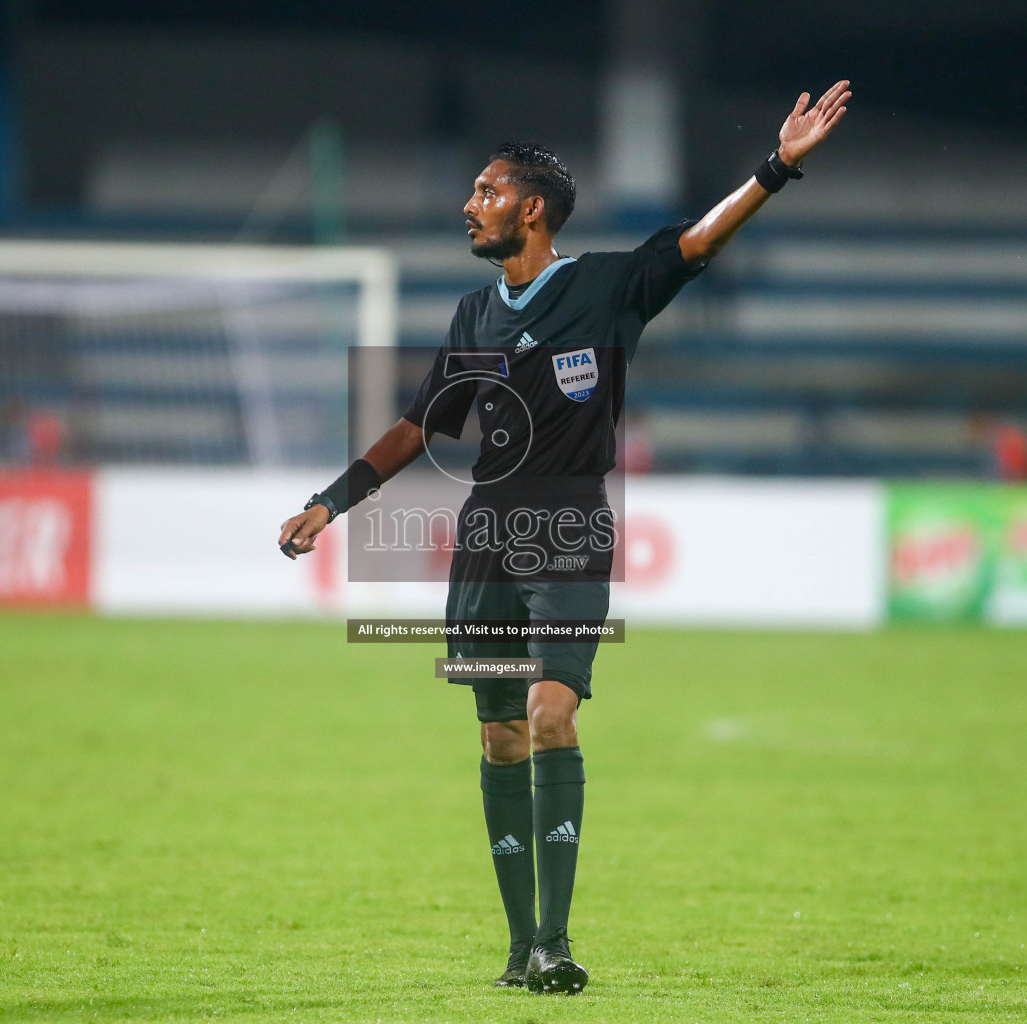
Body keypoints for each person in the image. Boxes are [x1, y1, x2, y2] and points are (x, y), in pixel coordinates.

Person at [278, 82, 851, 994]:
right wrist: (331, 500)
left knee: (552, 713)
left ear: (531, 208)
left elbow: (699, 242)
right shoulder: (474, 316)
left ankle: (555, 940)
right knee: (500, 736)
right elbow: (421, 425)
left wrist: (777, 166)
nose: (470, 204)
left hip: (570, 527)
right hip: (485, 539)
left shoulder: (607, 287)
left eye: (487, 191)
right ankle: (518, 953)